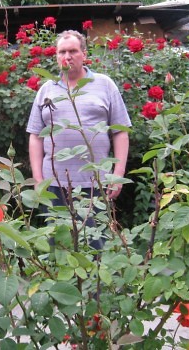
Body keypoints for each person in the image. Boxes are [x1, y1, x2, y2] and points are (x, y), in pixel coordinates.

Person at [26, 30, 131, 248]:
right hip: (53, 184)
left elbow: (120, 131)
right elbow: (35, 135)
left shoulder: (104, 85)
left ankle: (95, 283)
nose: (68, 56)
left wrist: (117, 174)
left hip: (95, 184)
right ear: (56, 56)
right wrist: (38, 179)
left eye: (73, 51)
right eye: (62, 52)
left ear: (84, 53)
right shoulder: (47, 89)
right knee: (58, 246)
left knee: (95, 246)